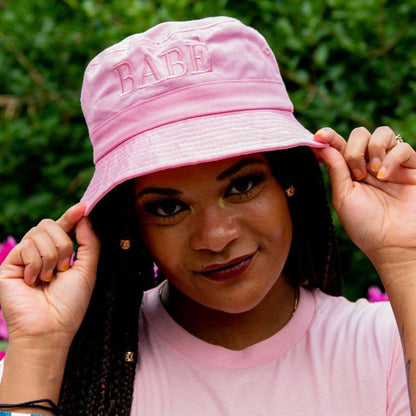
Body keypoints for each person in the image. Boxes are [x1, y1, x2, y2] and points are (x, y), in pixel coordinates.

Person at [0, 16, 415, 416]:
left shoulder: (390, 347)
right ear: (133, 225)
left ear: (289, 183)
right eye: (168, 208)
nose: (216, 236)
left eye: (242, 185)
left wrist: (405, 258)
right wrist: (38, 351)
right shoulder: (59, 371)